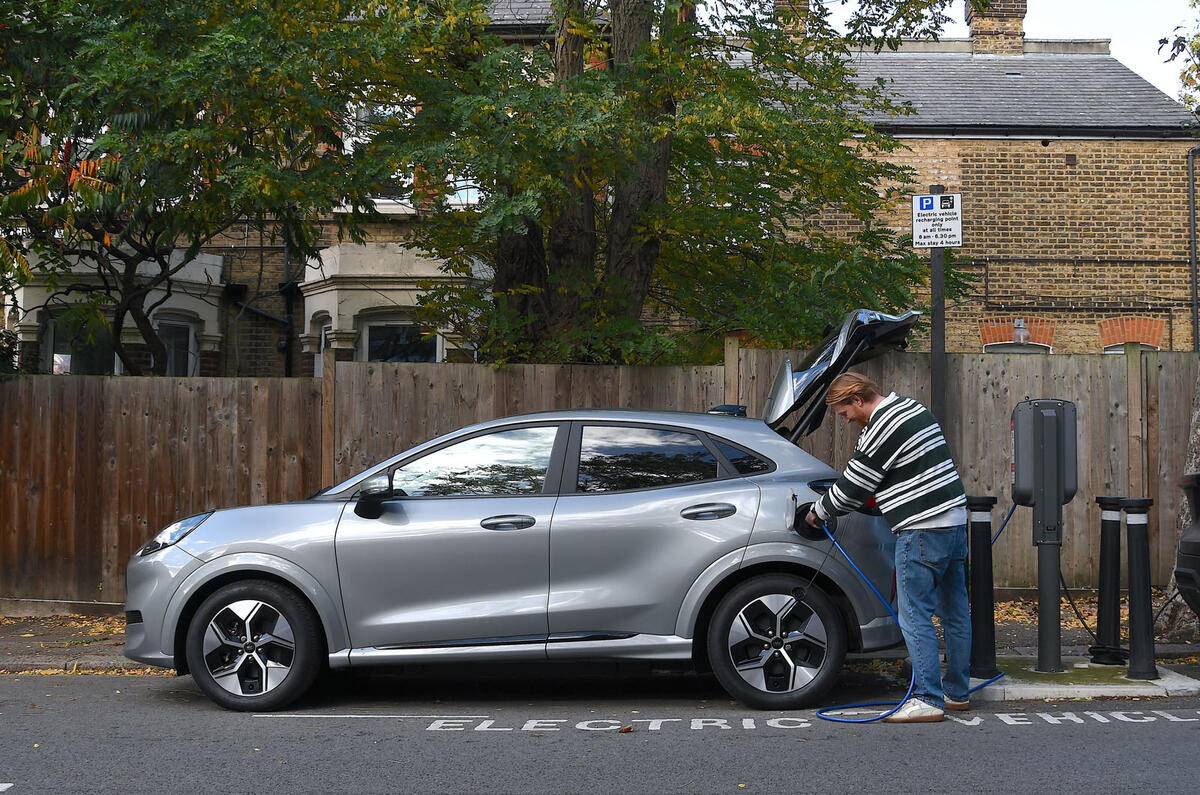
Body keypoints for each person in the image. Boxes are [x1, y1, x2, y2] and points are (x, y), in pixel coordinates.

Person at [805, 372, 969, 723]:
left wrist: (818, 512)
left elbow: (854, 486)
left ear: (858, 399)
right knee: (955, 613)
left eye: (843, 411)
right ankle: (956, 692)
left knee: (914, 617)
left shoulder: (882, 426)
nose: (845, 420)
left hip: (921, 530)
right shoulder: (912, 409)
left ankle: (927, 699)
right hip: (954, 523)